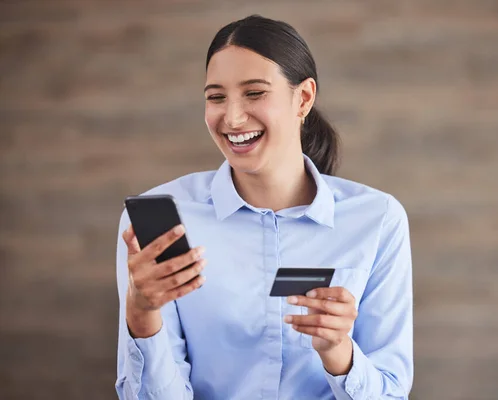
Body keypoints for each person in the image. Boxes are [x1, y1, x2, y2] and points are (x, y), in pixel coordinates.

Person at [115, 14, 413, 400]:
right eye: (216, 97)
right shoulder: (163, 222)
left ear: (303, 98)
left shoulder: (377, 219)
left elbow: (390, 394)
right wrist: (141, 315)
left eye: (254, 93)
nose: (233, 117)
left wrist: (339, 352)